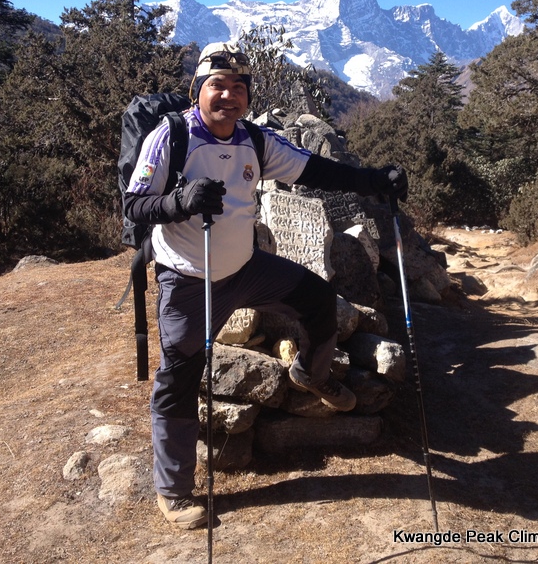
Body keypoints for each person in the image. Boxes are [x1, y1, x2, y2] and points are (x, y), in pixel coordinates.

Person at [123, 42, 408, 529]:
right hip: (189, 279)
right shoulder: (170, 136)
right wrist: (179, 202)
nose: (228, 94)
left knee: (319, 301)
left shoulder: (254, 140)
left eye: (239, 87)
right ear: (197, 90)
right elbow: (134, 205)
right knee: (179, 379)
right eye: (217, 85)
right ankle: (173, 491)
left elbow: (315, 169)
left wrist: (373, 180)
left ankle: (311, 374)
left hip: (245, 268)